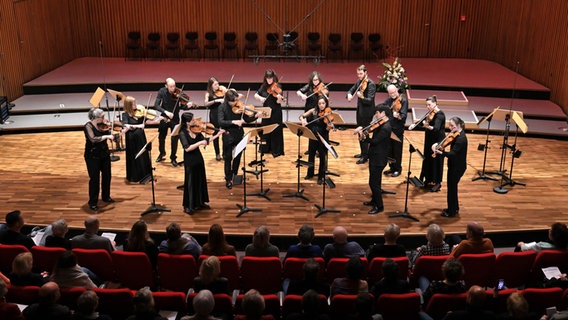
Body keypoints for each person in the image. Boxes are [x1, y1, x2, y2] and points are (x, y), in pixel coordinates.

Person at [179, 112, 224, 215]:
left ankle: (200, 202)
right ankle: (188, 206)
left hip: (198, 159)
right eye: (192, 120)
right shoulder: (182, 133)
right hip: (189, 160)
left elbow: (207, 140)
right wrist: (199, 143)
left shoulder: (196, 130)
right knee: (190, 182)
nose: (195, 122)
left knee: (200, 180)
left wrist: (218, 134)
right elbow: (187, 148)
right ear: (187, 122)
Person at [218, 88, 259, 189]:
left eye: (236, 100)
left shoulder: (239, 106)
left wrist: (256, 116)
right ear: (228, 100)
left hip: (238, 134)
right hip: (228, 135)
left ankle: (234, 174)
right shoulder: (222, 107)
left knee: (237, 156)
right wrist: (233, 122)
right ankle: (228, 178)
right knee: (228, 158)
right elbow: (220, 121)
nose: (236, 102)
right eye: (234, 101)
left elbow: (247, 119)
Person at [354, 105, 392, 214]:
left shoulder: (386, 127)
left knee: (373, 183)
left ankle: (379, 206)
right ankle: (374, 200)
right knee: (375, 182)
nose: (375, 115)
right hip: (375, 156)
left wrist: (364, 137)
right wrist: (365, 128)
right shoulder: (381, 124)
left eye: (377, 113)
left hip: (379, 158)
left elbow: (375, 141)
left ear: (383, 113)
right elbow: (373, 129)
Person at [433, 116, 468, 217]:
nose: (450, 128)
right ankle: (454, 207)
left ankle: (451, 211)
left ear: (458, 125)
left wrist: (441, 152)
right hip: (455, 166)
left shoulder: (461, 139)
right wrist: (438, 144)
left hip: (457, 168)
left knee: (452, 189)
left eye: (452, 126)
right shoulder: (457, 134)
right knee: (453, 188)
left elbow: (452, 154)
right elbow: (447, 142)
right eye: (449, 125)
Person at [154, 77, 193, 166]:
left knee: (174, 139)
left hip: (175, 118)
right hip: (164, 117)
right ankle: (162, 153)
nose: (173, 88)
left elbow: (181, 107)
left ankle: (173, 157)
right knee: (161, 137)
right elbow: (156, 105)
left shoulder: (178, 92)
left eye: (174, 86)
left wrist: (187, 106)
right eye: (171, 86)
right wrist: (166, 112)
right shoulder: (161, 91)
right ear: (166, 86)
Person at [122, 96, 161, 183]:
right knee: (135, 156)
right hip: (132, 139)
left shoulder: (139, 112)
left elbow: (147, 121)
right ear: (128, 106)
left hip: (141, 137)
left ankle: (145, 174)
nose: (136, 105)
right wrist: (139, 126)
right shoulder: (125, 115)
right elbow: (127, 126)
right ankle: (135, 177)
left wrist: (159, 119)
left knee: (143, 155)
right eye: (133, 104)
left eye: (135, 103)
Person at [83, 108, 115, 211]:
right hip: (92, 157)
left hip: (104, 154)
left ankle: (106, 196)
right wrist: (106, 136)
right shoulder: (88, 126)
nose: (105, 119)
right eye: (102, 117)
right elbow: (93, 139)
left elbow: (110, 134)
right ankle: (92, 202)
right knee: (94, 179)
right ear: (96, 118)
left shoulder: (104, 125)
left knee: (107, 176)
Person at [299, 96, 334, 184]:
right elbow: (301, 116)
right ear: (317, 104)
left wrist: (329, 127)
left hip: (323, 137)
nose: (321, 105)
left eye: (323, 103)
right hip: (313, 136)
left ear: (326, 104)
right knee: (311, 155)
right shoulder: (313, 111)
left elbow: (327, 129)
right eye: (320, 103)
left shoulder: (328, 113)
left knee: (322, 156)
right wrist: (303, 120)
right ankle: (310, 174)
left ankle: (320, 176)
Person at [347, 65, 376, 165]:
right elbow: (352, 89)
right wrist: (349, 94)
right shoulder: (359, 81)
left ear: (365, 73)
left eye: (361, 74)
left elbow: (369, 100)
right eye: (358, 73)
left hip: (367, 112)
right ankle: (363, 152)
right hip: (360, 111)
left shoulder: (371, 84)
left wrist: (362, 97)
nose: (359, 75)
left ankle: (365, 156)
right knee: (360, 131)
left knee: (364, 132)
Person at [254, 69, 285, 158]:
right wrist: (260, 98)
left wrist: (279, 98)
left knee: (276, 130)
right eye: (268, 78)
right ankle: (265, 148)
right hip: (266, 111)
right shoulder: (263, 86)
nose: (269, 80)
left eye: (271, 78)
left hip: (276, 111)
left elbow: (279, 102)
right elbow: (256, 95)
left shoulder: (278, 86)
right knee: (265, 129)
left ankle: (276, 150)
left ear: (273, 77)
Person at [418, 95, 446, 192]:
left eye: (429, 105)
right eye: (426, 105)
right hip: (429, 140)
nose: (428, 107)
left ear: (435, 103)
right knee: (428, 159)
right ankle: (428, 179)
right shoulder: (430, 113)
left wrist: (428, 126)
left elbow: (436, 128)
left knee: (437, 161)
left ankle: (438, 182)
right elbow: (422, 121)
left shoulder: (440, 115)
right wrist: (415, 124)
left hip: (437, 141)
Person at [382, 84, 408, 177]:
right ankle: (391, 167)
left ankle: (397, 169)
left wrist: (398, 116)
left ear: (397, 90)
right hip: (389, 128)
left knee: (397, 150)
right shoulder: (389, 100)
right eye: (390, 93)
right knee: (389, 150)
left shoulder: (403, 100)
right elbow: (383, 106)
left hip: (398, 130)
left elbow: (404, 116)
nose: (392, 95)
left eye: (393, 92)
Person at [204, 76, 229, 161]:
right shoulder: (208, 94)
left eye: (218, 83)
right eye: (215, 84)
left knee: (225, 134)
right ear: (211, 86)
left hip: (223, 115)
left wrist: (227, 92)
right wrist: (216, 101)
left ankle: (225, 153)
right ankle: (217, 153)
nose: (217, 86)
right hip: (214, 116)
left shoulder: (222, 91)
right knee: (215, 135)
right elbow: (206, 103)